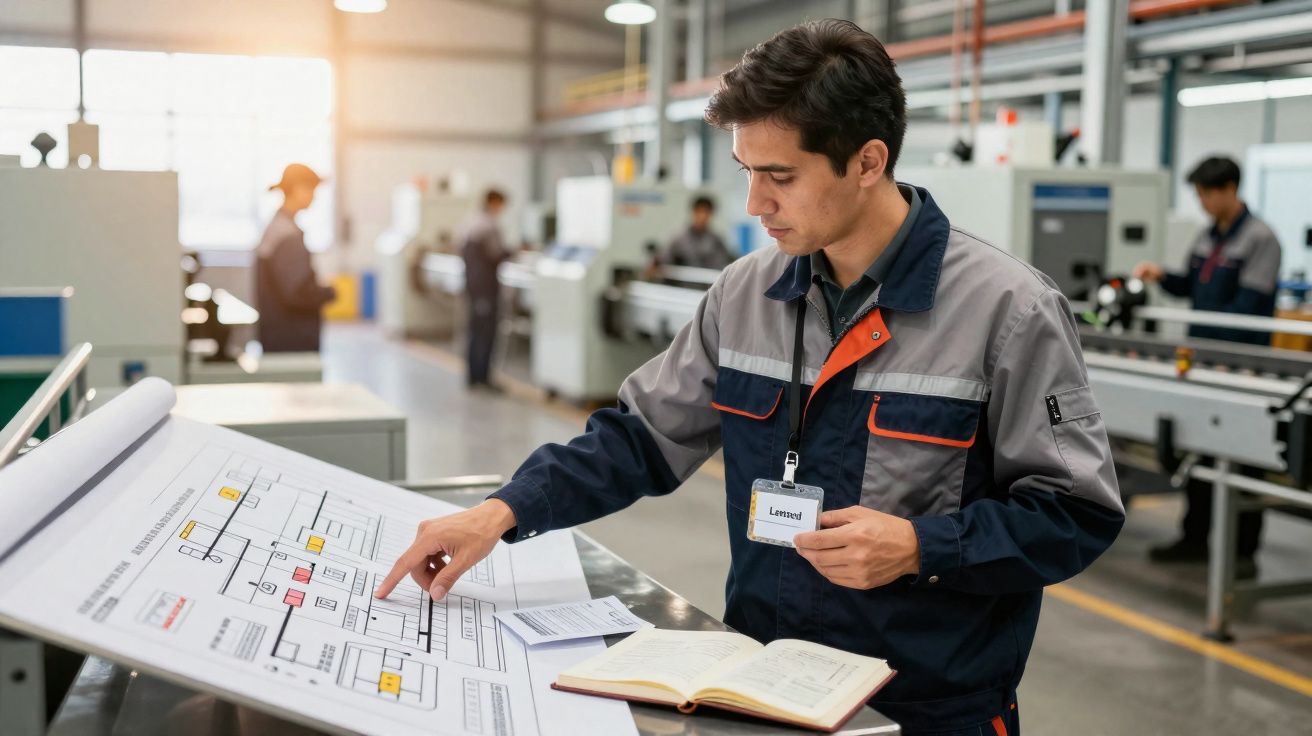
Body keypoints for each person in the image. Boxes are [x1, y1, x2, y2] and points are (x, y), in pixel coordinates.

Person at [377, 20, 1122, 735]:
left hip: (926, 707)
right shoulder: (746, 293)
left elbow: (1075, 514)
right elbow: (641, 438)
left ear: (867, 162)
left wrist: (923, 547)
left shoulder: (1008, 311)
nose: (754, 203)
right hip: (763, 687)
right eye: (745, 172)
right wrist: (502, 512)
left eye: (780, 176)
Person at [1133, 156, 1282, 576]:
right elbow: (1193, 289)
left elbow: (1248, 308)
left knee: (1244, 456)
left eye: (1205, 193)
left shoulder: (1260, 239)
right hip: (1204, 360)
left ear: (1230, 188)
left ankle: (1242, 553)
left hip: (1243, 366)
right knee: (1199, 448)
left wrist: (1213, 345)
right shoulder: (1207, 236)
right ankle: (1194, 539)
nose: (1201, 201)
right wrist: (1162, 276)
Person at [254, 163, 336, 353]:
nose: (314, 196)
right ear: (299, 189)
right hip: (291, 336)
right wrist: (329, 292)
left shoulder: (277, 227)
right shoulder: (287, 235)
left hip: (278, 332)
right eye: (312, 190)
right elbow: (297, 292)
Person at [461, 189, 513, 391]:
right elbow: (497, 254)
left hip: (474, 286)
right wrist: (516, 251)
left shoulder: (471, 222)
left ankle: (473, 376)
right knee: (486, 332)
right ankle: (483, 377)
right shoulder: (488, 226)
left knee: (476, 330)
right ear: (493, 202)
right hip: (486, 288)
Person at [664, 195, 735, 269]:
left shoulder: (717, 239)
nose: (703, 216)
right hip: (684, 280)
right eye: (700, 212)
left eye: (706, 212)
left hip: (711, 279)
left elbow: (726, 261)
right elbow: (664, 260)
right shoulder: (677, 238)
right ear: (693, 212)